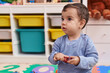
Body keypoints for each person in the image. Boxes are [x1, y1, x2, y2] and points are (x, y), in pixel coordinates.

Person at [48, 3, 98, 73]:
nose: (63, 22)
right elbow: (51, 59)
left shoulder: (86, 41)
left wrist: (79, 60)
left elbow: (94, 59)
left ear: (81, 23)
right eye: (62, 19)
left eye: (69, 19)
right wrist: (55, 56)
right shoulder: (59, 41)